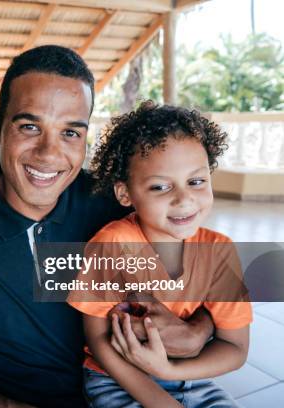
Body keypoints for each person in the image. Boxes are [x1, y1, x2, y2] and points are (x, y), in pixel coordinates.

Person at [0, 46, 217, 408]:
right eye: (30, 127)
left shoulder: (116, 204)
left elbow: (218, 273)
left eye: (70, 133)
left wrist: (198, 331)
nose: (49, 153)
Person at [68, 101, 252, 407]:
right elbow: (98, 341)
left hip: (192, 379)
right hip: (117, 380)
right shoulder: (111, 245)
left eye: (196, 181)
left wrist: (169, 369)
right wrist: (161, 401)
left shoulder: (218, 252)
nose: (184, 199)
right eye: (160, 187)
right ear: (125, 194)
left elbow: (235, 348)